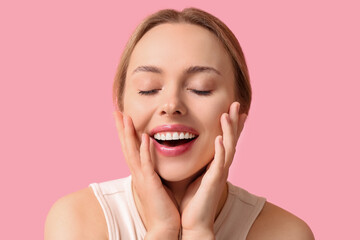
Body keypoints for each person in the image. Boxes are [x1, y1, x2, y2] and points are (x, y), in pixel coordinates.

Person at [45, 8, 314, 240]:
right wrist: (162, 229)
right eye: (149, 89)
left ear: (239, 110)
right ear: (122, 106)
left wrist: (198, 231)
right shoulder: (77, 220)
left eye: (201, 88)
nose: (171, 105)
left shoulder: (285, 233)